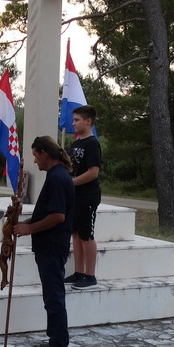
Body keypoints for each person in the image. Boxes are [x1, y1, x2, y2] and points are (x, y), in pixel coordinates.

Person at [14, 136, 75, 347]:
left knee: (54, 298)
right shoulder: (55, 176)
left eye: (35, 155)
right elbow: (46, 212)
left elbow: (58, 216)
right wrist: (24, 222)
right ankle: (54, 339)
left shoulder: (59, 178)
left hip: (52, 246)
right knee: (50, 298)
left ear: (44, 153)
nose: (34, 160)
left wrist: (29, 228)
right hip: (47, 245)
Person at [64, 105, 102, 290]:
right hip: (74, 197)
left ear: (88, 121)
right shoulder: (76, 143)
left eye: (77, 120)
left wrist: (71, 183)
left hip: (87, 196)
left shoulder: (92, 144)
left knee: (87, 235)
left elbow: (93, 172)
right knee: (76, 234)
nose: (74, 123)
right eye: (73, 120)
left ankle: (90, 275)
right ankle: (79, 272)